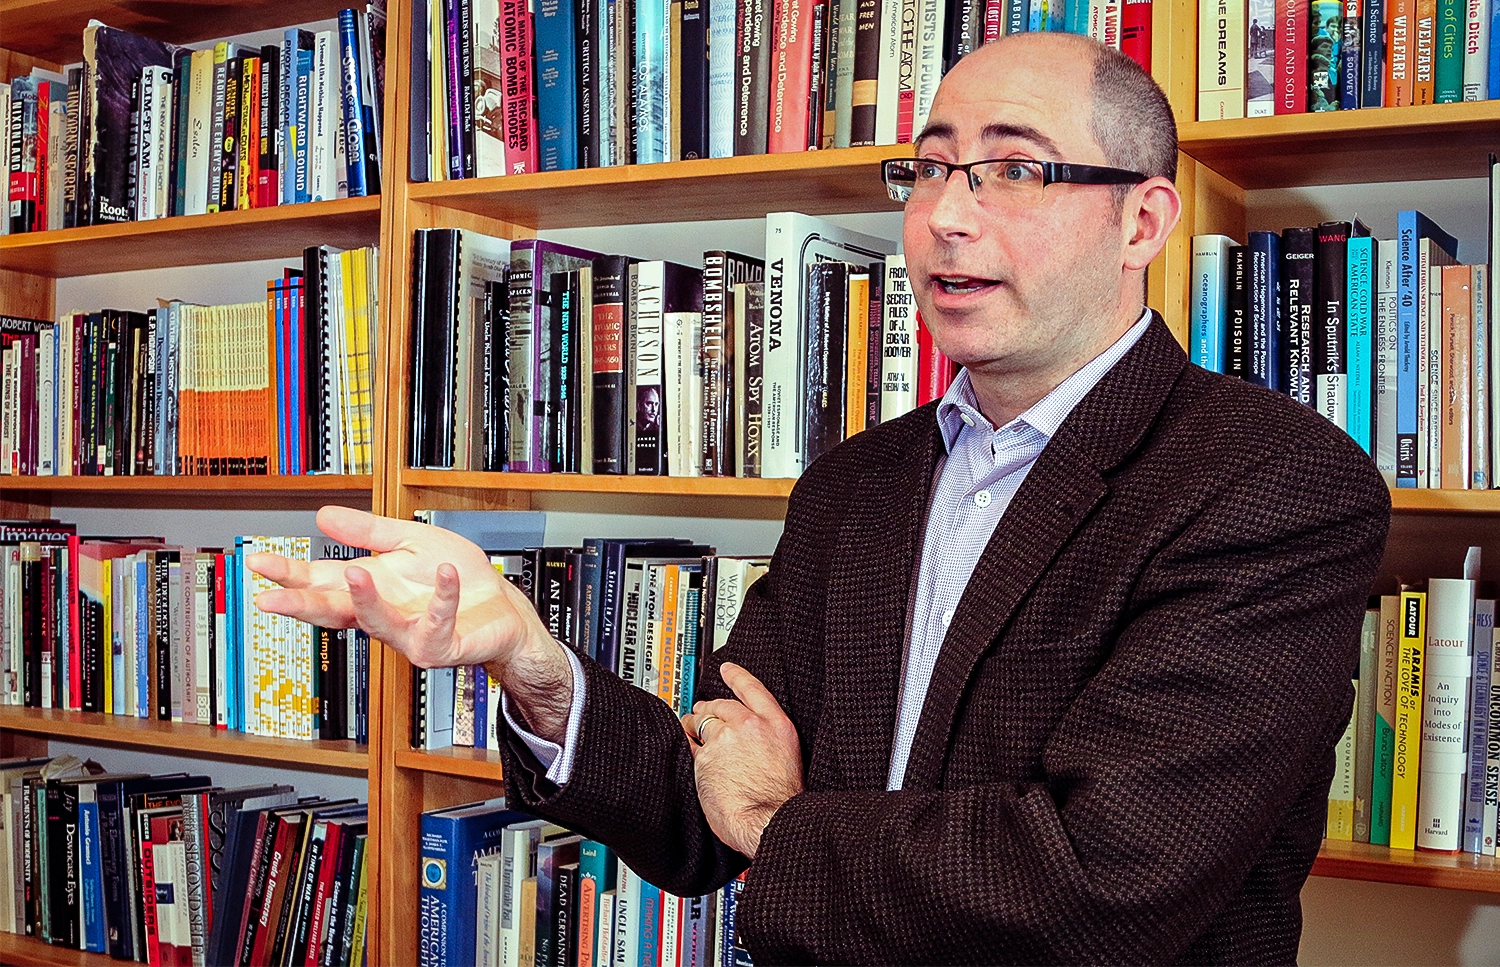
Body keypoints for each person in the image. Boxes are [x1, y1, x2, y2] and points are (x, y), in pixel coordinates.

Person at [251, 32, 1390, 967]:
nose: (946, 215)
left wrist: (777, 822)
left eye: (1014, 168)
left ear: (1142, 222)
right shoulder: (856, 483)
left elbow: (1100, 881)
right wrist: (530, 662)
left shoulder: (1272, 482)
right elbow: (707, 795)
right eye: (930, 167)